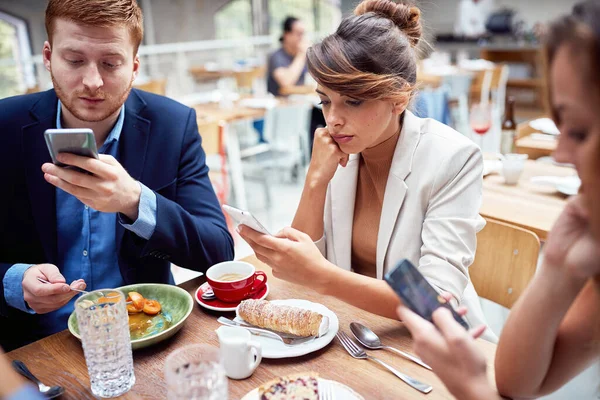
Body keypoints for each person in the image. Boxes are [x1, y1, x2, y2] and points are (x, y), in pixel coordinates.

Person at [240, 0, 495, 341]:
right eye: (325, 100)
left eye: (353, 101)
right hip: (356, 333)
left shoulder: (452, 159)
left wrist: (324, 276)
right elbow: (297, 272)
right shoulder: (339, 151)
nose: (333, 119)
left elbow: (435, 298)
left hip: (434, 345)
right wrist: (315, 180)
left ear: (399, 99)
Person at [0, 0, 234, 351]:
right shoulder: (5, 126)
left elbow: (218, 253)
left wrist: (135, 202)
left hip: (145, 336)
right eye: (74, 60)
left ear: (135, 66)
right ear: (47, 56)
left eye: (111, 63)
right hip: (37, 346)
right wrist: (12, 281)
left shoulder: (173, 125)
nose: (93, 82)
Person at [397, 2, 600, 398]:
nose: (558, 154)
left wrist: (474, 391)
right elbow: (517, 383)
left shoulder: (447, 158)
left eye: (576, 131)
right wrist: (557, 266)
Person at [267, 16, 309, 97]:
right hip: (281, 104)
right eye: (299, 34)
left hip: (302, 102)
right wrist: (301, 55)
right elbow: (286, 83)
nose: (302, 38)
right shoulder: (276, 56)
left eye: (303, 33)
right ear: (286, 34)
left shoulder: (306, 55)